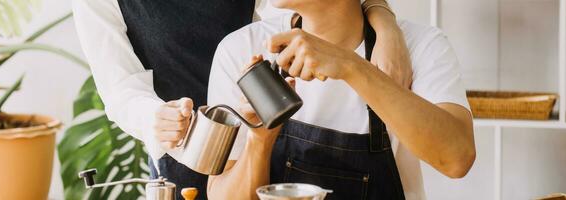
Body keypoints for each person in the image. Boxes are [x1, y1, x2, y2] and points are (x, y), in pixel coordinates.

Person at [72, 0, 411, 199]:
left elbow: (311, 6)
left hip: (262, 135)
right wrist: (154, 117)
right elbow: (118, 83)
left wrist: (384, 22)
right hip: (185, 151)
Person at [206, 0, 477, 199]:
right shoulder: (243, 49)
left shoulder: (420, 46)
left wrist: (352, 67)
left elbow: (457, 159)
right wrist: (259, 142)